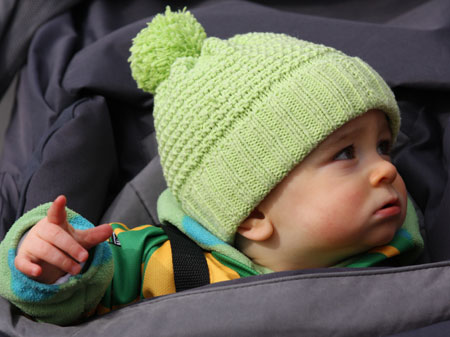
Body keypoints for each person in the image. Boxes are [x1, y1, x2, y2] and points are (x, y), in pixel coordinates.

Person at [0, 7, 423, 325]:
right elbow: (94, 259)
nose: (386, 170)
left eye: (383, 147)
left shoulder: (403, 252)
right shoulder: (162, 261)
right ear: (254, 213)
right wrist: (53, 260)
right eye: (346, 153)